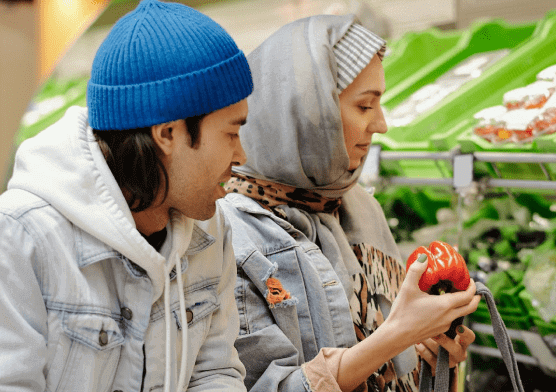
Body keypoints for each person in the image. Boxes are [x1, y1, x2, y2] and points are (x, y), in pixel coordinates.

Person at [218, 15, 480, 392]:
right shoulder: (233, 238)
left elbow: (394, 361)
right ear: (309, 114)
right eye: (364, 106)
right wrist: (396, 336)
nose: (382, 124)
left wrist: (432, 357)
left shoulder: (356, 206)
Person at [0, 1, 252, 391]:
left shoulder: (210, 230)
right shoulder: (21, 237)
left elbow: (215, 372)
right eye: (232, 134)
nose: (242, 156)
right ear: (167, 134)